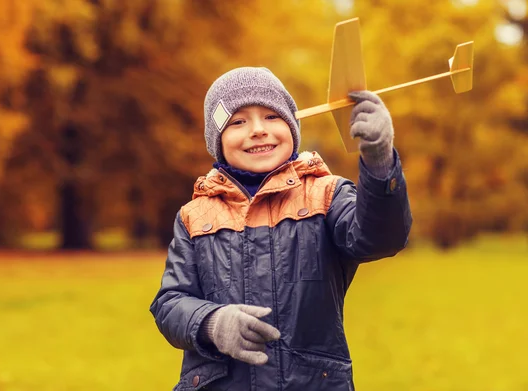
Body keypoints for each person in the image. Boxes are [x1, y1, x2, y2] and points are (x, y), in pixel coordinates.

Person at [150, 67, 412, 391]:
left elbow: (380, 237)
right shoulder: (194, 215)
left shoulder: (326, 195)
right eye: (238, 121)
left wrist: (379, 161)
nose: (258, 130)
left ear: (292, 125)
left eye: (272, 117)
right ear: (217, 139)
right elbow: (170, 302)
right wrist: (210, 322)